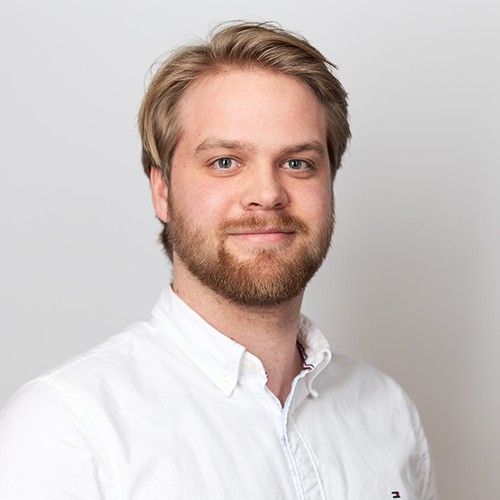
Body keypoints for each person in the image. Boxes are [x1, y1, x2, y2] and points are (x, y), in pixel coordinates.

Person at [0, 21, 437, 499]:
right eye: (225, 162)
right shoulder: (69, 431)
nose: (267, 194)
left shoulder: (388, 413)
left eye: (297, 163)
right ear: (162, 191)